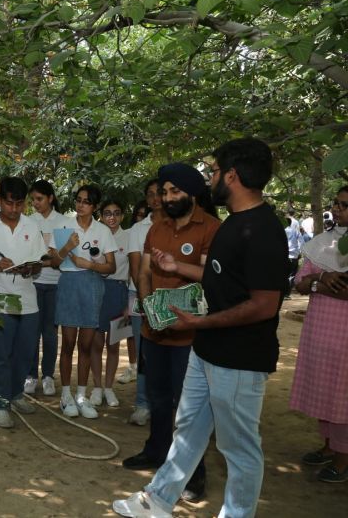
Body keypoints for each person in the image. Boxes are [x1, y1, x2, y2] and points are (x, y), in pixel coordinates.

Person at [113, 137, 288, 518]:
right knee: (188, 427)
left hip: (240, 358)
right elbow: (220, 277)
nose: (210, 179)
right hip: (207, 350)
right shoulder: (233, 224)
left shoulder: (263, 230)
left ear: (233, 176)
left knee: (239, 448)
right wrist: (177, 267)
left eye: (215, 171)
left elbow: (264, 304)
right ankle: (158, 501)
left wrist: (200, 322)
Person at [121, 163, 220, 503]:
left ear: (193, 193)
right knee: (158, 397)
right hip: (155, 330)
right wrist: (149, 308)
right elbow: (144, 272)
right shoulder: (156, 228)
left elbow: (212, 276)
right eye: (164, 192)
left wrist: (177, 267)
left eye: (175, 191)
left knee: (188, 407)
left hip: (191, 335)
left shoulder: (212, 228)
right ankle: (156, 452)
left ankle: (194, 473)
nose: (167, 198)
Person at [0, 177, 49, 428]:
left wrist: (30, 268)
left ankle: (15, 394)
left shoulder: (31, 226)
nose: (14, 209)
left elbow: (39, 262)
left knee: (25, 352)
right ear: (1, 199)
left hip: (27, 299)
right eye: (9, 203)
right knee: (1, 353)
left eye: (19, 204)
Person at [290, 185, 348, 483]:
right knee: (324, 390)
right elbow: (300, 283)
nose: (337, 209)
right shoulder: (322, 243)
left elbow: (345, 291)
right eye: (336, 203)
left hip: (343, 337)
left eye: (345, 205)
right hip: (319, 332)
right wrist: (322, 277)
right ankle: (328, 447)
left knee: (342, 395)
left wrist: (317, 282)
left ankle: (343, 459)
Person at [49, 184, 117, 418]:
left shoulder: (103, 231)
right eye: (78, 200)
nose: (80, 205)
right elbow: (54, 262)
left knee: (86, 345)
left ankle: (81, 395)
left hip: (92, 286)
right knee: (68, 343)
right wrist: (68, 246)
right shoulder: (64, 226)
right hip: (69, 284)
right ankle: (65, 395)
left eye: (86, 201)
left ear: (94, 206)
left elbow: (111, 267)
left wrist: (88, 264)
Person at [119, 180, 162, 429]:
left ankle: (166, 403)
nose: (156, 198)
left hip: (170, 299)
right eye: (151, 194)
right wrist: (148, 301)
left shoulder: (177, 224)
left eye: (160, 193)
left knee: (169, 353)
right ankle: (143, 404)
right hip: (140, 297)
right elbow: (136, 269)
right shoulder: (138, 229)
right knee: (144, 351)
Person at [87, 199, 130, 408]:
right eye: (107, 213)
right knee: (96, 343)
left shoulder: (129, 237)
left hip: (119, 292)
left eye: (116, 213)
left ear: (122, 216)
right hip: (97, 290)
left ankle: (109, 388)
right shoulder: (95, 235)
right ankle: (96, 387)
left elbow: (134, 271)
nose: (112, 217)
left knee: (114, 344)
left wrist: (130, 302)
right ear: (101, 216)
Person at [23, 180, 64, 396]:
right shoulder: (28, 222)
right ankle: (30, 375)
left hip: (56, 285)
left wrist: (47, 259)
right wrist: (48, 257)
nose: (35, 203)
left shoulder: (64, 222)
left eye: (39, 199)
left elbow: (60, 259)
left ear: (51, 198)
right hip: (32, 284)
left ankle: (48, 376)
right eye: (33, 200)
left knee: (50, 333)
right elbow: (29, 255)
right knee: (31, 331)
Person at [285, 211, 305, 297]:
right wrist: (300, 252)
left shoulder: (280, 231)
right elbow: (301, 242)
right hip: (294, 255)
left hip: (284, 255)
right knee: (292, 274)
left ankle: (281, 293)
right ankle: (287, 293)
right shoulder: (295, 231)